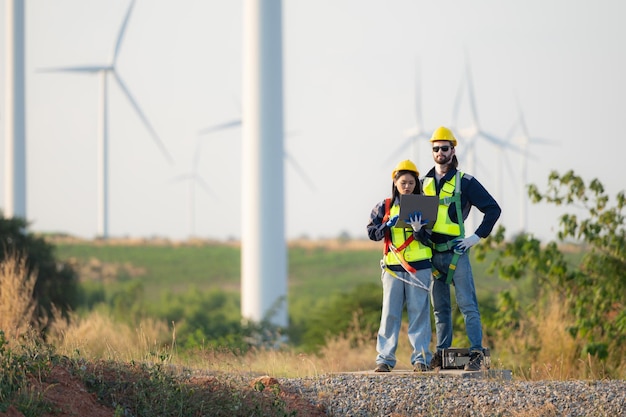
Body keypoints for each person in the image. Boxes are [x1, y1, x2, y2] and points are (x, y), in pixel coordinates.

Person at [422, 126, 501, 371]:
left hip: (457, 252)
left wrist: (475, 237)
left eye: (444, 148)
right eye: (435, 148)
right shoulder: (423, 183)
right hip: (433, 254)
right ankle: (441, 352)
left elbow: (493, 209)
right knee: (440, 309)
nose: (440, 152)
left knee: (468, 305)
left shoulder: (464, 181)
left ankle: (476, 353)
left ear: (453, 150)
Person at [367, 159, 433, 372]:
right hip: (393, 269)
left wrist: (418, 230)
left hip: (419, 268)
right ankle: (384, 359)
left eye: (411, 183)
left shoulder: (425, 206)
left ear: (417, 184)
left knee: (419, 313)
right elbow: (372, 233)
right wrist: (386, 225)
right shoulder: (384, 207)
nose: (407, 186)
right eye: (403, 182)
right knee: (390, 314)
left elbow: (429, 239)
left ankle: (421, 359)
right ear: (395, 182)